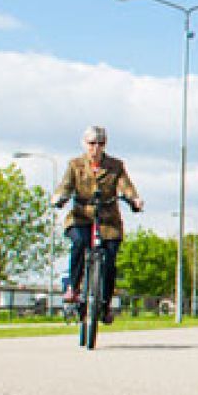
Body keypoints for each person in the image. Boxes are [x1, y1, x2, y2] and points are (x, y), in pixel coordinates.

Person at [53, 125, 143, 325]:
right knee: (79, 243)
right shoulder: (75, 165)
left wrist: (134, 199)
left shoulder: (116, 166)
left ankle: (106, 304)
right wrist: (60, 197)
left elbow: (126, 186)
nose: (96, 148)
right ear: (84, 144)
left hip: (108, 220)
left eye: (100, 143)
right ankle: (74, 289)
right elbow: (66, 185)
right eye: (92, 143)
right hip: (81, 217)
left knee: (109, 260)